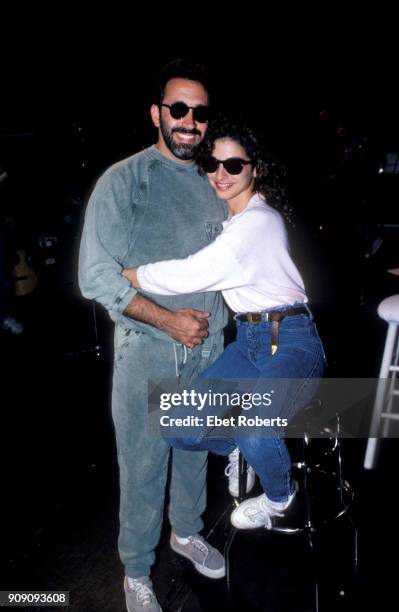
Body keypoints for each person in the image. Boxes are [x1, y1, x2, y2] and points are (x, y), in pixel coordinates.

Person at [122, 117, 326, 532]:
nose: (221, 174)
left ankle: (280, 496)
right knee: (178, 425)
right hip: (250, 342)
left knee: (256, 428)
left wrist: (127, 276)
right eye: (214, 165)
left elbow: (191, 273)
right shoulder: (233, 222)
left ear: (255, 168)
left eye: (234, 166)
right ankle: (243, 448)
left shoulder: (258, 222)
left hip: (291, 340)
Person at [78, 60, 228, 612]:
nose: (189, 121)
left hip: (208, 348)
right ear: (157, 114)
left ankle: (185, 533)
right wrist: (167, 320)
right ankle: (136, 571)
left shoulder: (219, 180)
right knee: (143, 464)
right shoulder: (124, 180)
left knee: (192, 451)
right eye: (179, 109)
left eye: (199, 112)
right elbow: (95, 274)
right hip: (148, 347)